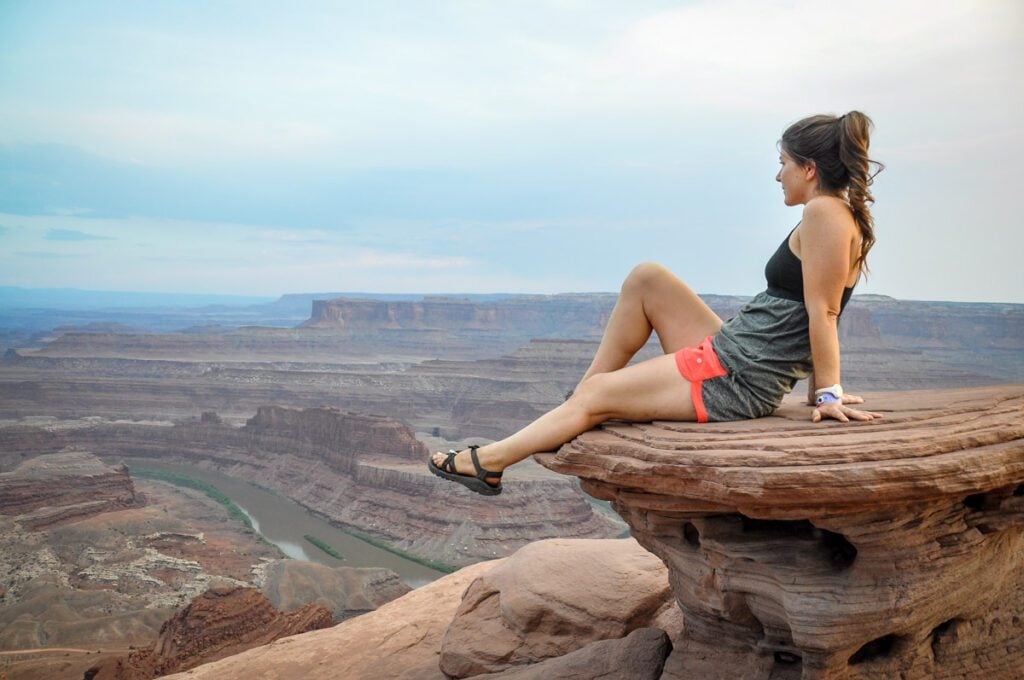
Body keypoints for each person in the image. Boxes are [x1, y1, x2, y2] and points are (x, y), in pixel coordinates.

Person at [429, 111, 885, 496]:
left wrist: (828, 393)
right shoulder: (841, 215)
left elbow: (823, 311)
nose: (777, 174)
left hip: (736, 375)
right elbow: (820, 306)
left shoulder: (823, 212)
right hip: (734, 351)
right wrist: (813, 388)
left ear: (808, 168)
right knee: (647, 277)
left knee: (597, 399)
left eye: (782, 163)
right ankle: (584, 399)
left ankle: (489, 462)